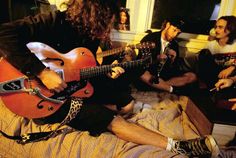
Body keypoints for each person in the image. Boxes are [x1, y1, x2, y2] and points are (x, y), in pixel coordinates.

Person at [0, 0, 219, 157]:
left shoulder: (89, 34)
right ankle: (179, 147)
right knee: (114, 120)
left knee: (127, 103)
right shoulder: (54, 20)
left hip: (76, 83)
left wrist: (107, 69)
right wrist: (42, 72)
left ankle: (100, 107)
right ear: (95, 11)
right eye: (107, 19)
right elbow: (4, 34)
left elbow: (82, 64)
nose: (108, 26)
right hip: (43, 98)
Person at [134, 19, 198, 95]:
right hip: (150, 72)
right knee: (141, 73)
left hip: (163, 75)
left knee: (192, 76)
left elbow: (173, 69)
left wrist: (172, 60)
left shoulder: (174, 44)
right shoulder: (150, 38)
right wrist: (157, 58)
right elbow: (142, 63)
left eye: (178, 32)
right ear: (167, 25)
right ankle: (171, 89)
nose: (175, 35)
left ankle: (159, 86)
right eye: (174, 30)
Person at [198, 15, 236, 89]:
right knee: (204, 53)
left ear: (230, 29)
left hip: (233, 77)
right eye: (216, 27)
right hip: (217, 77)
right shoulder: (210, 46)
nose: (216, 30)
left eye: (220, 27)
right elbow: (203, 67)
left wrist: (232, 67)